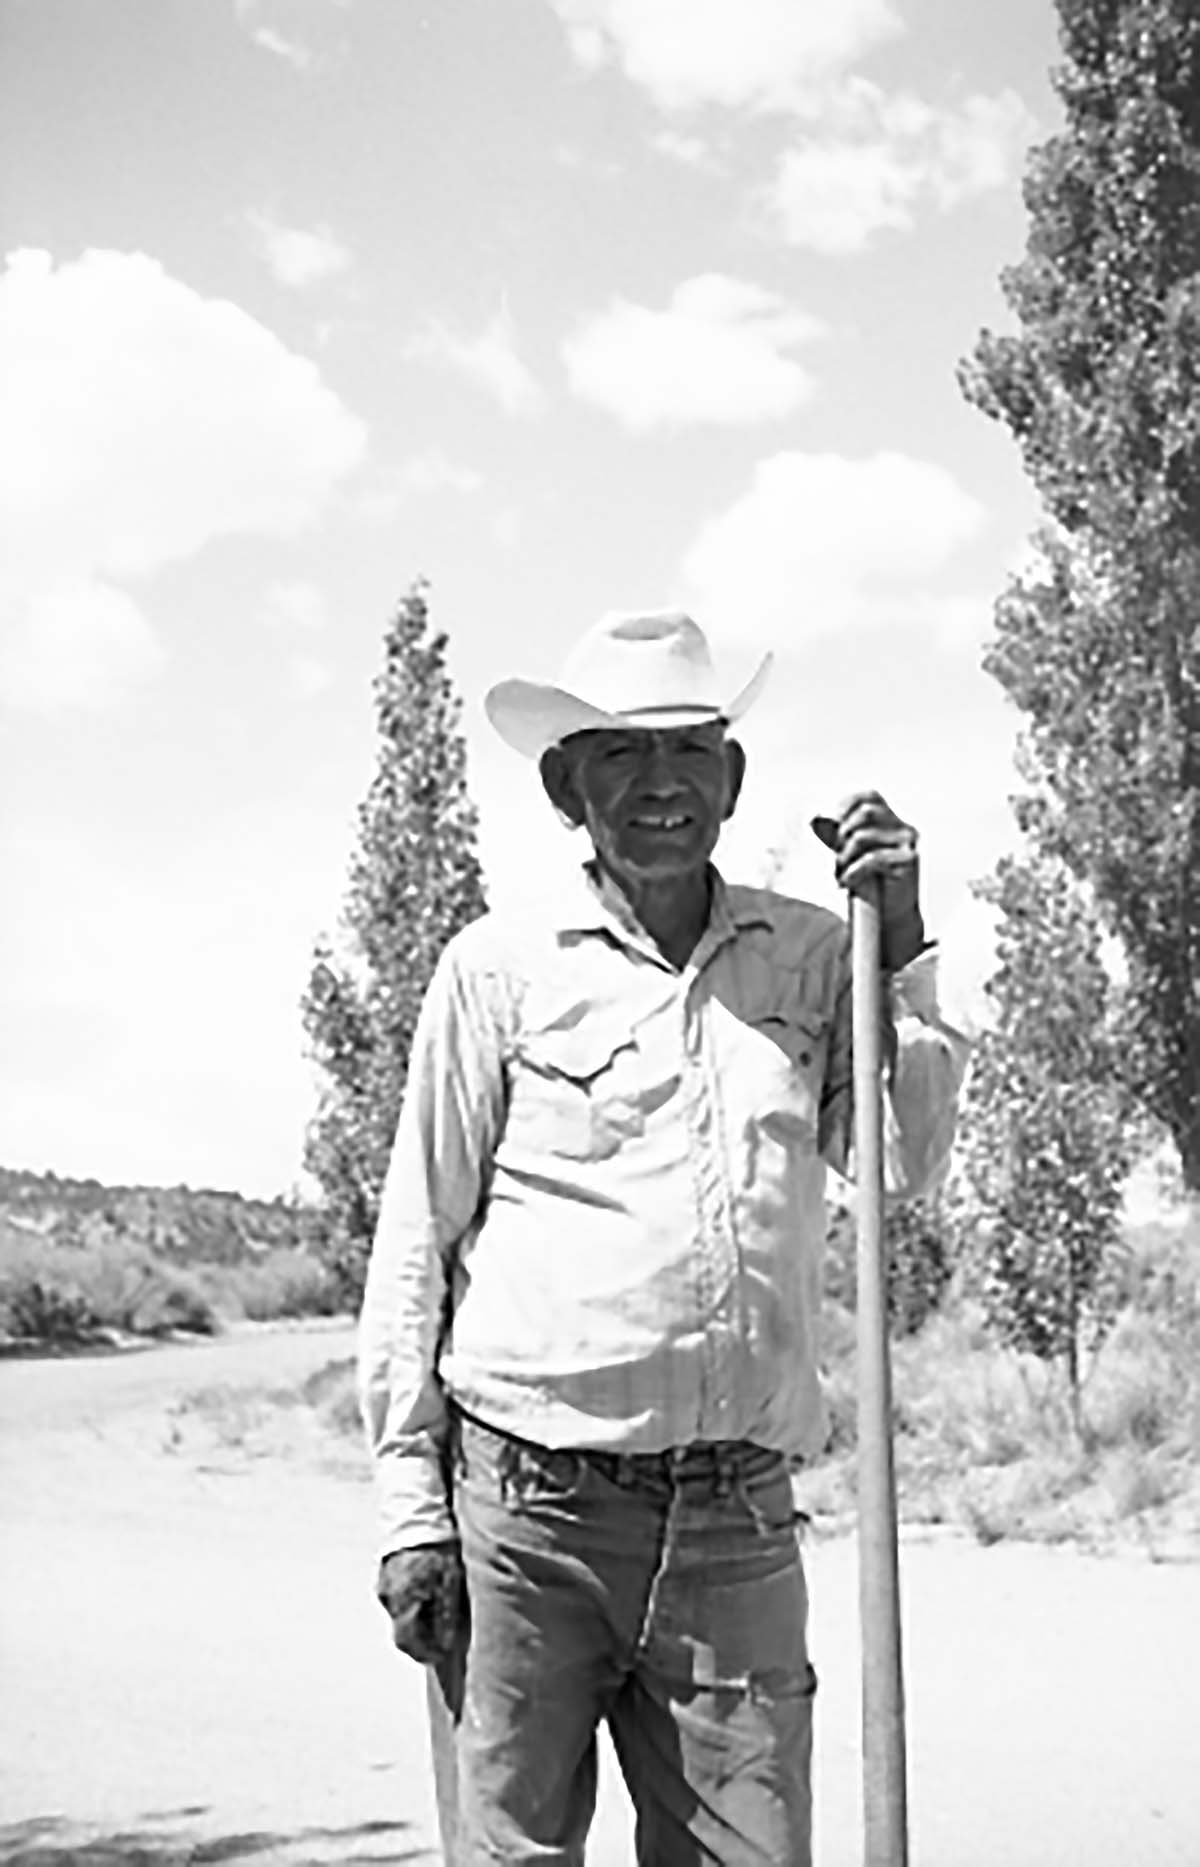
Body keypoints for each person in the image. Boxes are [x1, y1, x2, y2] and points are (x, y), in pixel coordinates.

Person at [357, 608, 969, 1866]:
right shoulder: (498, 969)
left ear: (731, 780)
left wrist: (899, 949)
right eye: (619, 755)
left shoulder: (813, 956)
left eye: (689, 750)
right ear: (564, 787)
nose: (658, 785)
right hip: (528, 1511)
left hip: (735, 1516)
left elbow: (899, 1162)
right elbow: (418, 1234)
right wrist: (412, 1508)